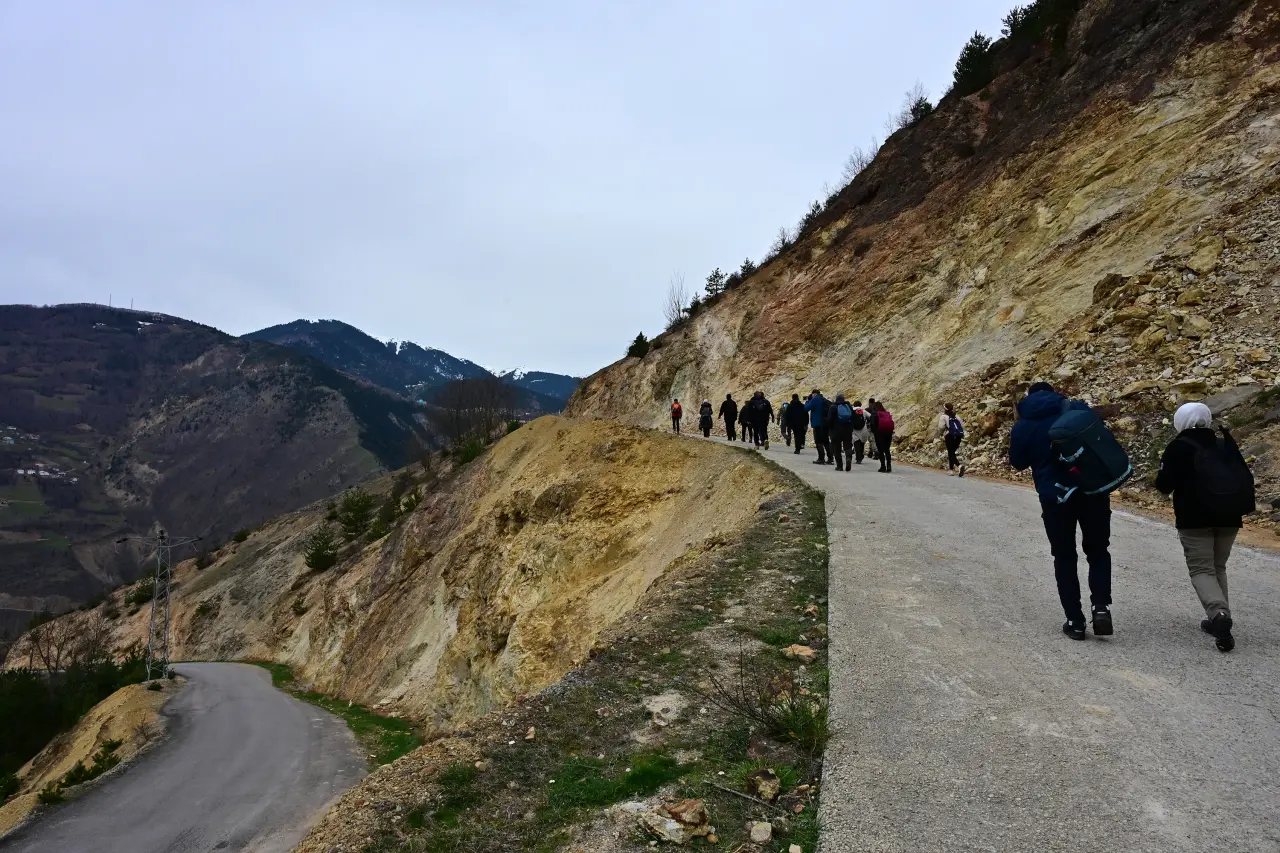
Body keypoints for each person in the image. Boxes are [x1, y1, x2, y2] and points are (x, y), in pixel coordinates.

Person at [1009, 381, 1114, 641]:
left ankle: (1075, 621)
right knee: (1098, 550)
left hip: (1055, 497)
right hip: (1092, 490)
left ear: (1029, 397)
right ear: (1054, 392)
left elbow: (1018, 462)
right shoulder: (1076, 409)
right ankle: (1100, 606)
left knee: (1064, 557)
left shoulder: (1024, 423)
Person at [1155, 402, 1255, 653]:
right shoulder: (1224, 443)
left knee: (1201, 568)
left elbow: (1164, 485)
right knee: (1217, 566)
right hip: (1230, 516)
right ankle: (1220, 618)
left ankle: (1219, 615)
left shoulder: (1179, 447)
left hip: (1195, 518)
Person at [826, 393, 856, 471]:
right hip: (847, 430)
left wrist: (828, 428)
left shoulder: (833, 407)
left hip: (835, 431)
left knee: (837, 448)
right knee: (848, 446)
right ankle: (848, 458)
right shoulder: (848, 407)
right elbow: (853, 417)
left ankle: (839, 466)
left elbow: (829, 420)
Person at [938, 403, 967, 476]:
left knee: (950, 452)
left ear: (945, 409)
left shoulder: (943, 417)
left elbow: (941, 427)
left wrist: (941, 434)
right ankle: (951, 470)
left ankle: (958, 466)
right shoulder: (957, 416)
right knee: (952, 452)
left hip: (949, 435)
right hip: (958, 436)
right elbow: (962, 425)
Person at [805, 390, 832, 465]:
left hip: (818, 424)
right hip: (825, 423)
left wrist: (807, 401)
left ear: (814, 394)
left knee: (819, 441)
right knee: (826, 441)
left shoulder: (815, 399)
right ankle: (830, 458)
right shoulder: (824, 399)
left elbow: (806, 408)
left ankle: (821, 458)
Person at [873, 401, 895, 473]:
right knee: (887, 450)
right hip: (888, 433)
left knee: (881, 450)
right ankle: (889, 466)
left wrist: (875, 432)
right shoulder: (887, 413)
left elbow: (873, 425)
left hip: (879, 434)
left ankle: (883, 466)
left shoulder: (875, 414)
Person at [850, 400, 871, 465]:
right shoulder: (864, 411)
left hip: (854, 430)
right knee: (862, 443)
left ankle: (858, 458)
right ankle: (861, 456)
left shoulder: (851, 410)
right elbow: (870, 417)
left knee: (856, 444)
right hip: (863, 429)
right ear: (860, 405)